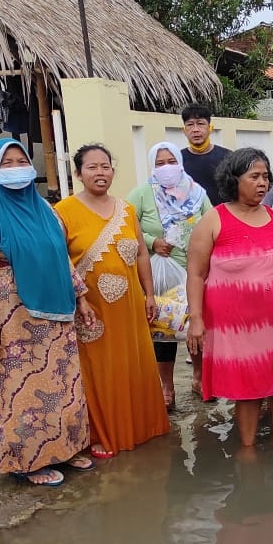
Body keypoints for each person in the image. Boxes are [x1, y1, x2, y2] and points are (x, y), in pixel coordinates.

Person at [0, 138, 96, 487]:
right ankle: (26, 461)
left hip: (57, 310)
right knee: (21, 388)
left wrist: (81, 297)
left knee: (63, 382)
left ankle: (65, 450)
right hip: (12, 312)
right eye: (6, 163)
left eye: (20, 160)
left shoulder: (46, 210)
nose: (15, 167)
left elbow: (60, 257)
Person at [186, 148, 273, 447]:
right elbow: (195, 274)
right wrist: (196, 318)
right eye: (254, 176)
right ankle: (247, 449)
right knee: (248, 386)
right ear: (235, 180)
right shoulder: (213, 220)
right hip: (238, 326)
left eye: (266, 177)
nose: (263, 183)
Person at [55, 144, 170, 458]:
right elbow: (59, 259)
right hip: (93, 309)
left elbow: (142, 254)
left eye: (105, 166)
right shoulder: (63, 211)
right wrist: (79, 298)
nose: (100, 172)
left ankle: (142, 427)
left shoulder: (126, 210)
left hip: (130, 305)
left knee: (134, 363)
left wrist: (149, 294)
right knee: (101, 370)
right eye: (91, 167)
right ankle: (103, 434)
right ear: (78, 173)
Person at [127, 140, 212, 407]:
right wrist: (153, 241)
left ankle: (199, 378)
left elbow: (211, 221)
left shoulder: (196, 192)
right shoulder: (142, 194)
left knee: (195, 324)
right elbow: (128, 225)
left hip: (196, 270)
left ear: (180, 162)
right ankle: (167, 388)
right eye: (160, 163)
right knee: (164, 329)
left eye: (171, 161)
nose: (167, 167)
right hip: (160, 272)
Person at [180, 103, 231, 205]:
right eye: (190, 125)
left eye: (200, 124)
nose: (195, 130)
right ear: (184, 130)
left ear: (210, 128)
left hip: (221, 216)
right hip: (190, 218)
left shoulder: (228, 157)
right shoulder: (177, 159)